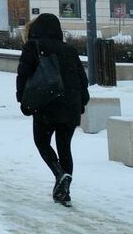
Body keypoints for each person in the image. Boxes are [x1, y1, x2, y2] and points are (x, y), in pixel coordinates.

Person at [15, 13, 90, 206]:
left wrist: (22, 99)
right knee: (65, 148)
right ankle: (64, 192)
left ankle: (59, 174)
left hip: (46, 104)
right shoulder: (69, 50)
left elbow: (23, 75)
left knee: (42, 142)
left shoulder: (33, 47)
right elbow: (82, 80)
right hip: (70, 106)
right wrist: (81, 102)